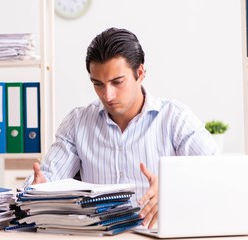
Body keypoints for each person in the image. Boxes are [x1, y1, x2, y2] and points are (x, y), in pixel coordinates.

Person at [24, 27, 217, 228]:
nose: (108, 95)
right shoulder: (77, 122)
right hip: (97, 235)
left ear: (140, 73)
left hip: (157, 234)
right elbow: (47, 179)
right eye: (98, 84)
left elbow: (216, 175)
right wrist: (37, 190)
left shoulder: (175, 118)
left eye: (117, 82)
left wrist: (174, 186)